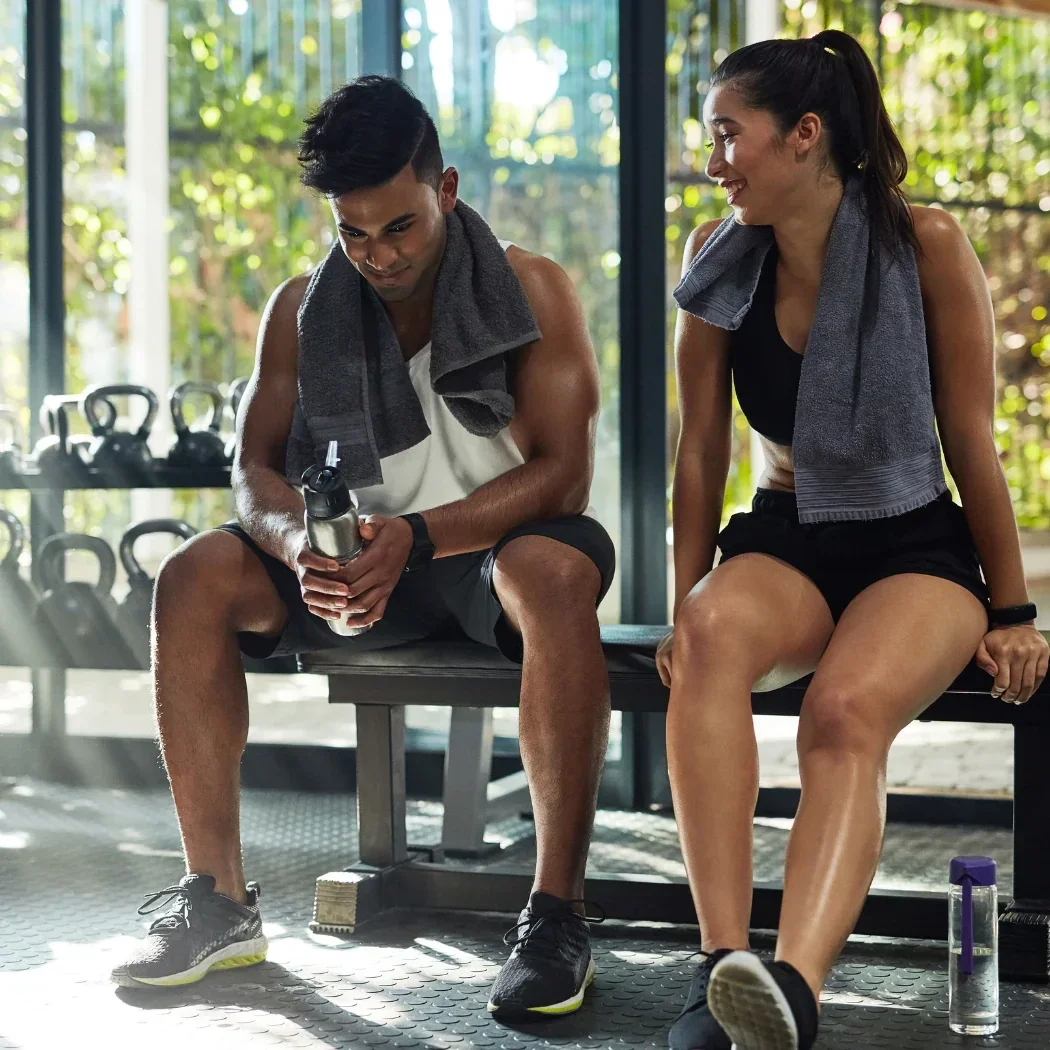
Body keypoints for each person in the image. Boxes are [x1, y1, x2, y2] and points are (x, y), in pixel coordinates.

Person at [111, 76, 615, 1021]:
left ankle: (556, 916)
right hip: (352, 560)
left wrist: (420, 538)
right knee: (190, 576)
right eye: (353, 232)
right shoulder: (302, 307)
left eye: (400, 227)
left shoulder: (531, 286)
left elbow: (565, 476)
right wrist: (300, 544)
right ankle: (217, 902)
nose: (378, 254)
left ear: (446, 190)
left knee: (554, 570)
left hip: (490, 556)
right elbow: (253, 469)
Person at [660, 29, 1048, 1050]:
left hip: (911, 542)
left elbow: (970, 436)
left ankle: (793, 991)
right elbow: (700, 451)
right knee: (707, 638)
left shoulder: (926, 245)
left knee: (841, 714)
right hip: (785, 534)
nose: (713, 161)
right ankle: (720, 970)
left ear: (804, 135)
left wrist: (1014, 611)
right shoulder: (717, 258)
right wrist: (684, 601)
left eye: (728, 135)